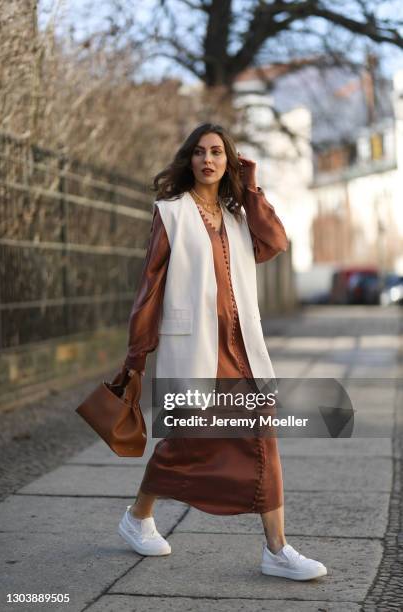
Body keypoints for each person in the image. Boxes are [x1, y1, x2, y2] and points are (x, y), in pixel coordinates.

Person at [117, 123, 327, 581]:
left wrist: (251, 188)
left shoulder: (237, 215)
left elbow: (275, 242)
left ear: (228, 161)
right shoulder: (171, 212)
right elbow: (150, 286)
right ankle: (137, 517)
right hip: (196, 347)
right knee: (185, 442)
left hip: (241, 346)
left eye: (216, 152)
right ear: (188, 160)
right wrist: (136, 356)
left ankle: (277, 548)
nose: (207, 160)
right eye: (199, 152)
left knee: (261, 432)